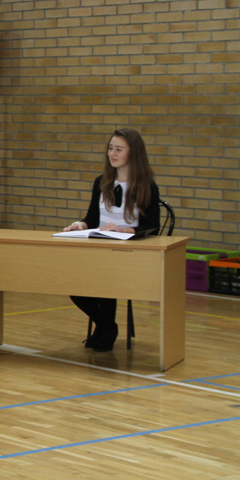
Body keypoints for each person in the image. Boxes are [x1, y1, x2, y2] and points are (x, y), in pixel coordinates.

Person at [62, 128, 161, 351]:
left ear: (133, 153)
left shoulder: (146, 185)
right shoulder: (101, 182)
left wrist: (126, 230)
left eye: (118, 149)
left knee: (106, 276)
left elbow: (152, 226)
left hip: (129, 254)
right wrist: (80, 225)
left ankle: (105, 329)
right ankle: (107, 325)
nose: (112, 154)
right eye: (110, 148)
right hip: (99, 250)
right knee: (73, 283)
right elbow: (91, 218)